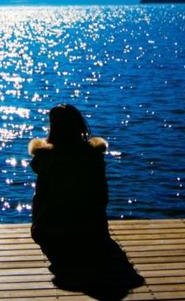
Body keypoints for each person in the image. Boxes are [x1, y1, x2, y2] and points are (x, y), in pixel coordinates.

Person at [28, 104, 143, 298]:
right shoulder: (93, 156)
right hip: (91, 232)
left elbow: (41, 199)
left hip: (52, 232)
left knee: (42, 197)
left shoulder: (45, 158)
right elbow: (102, 197)